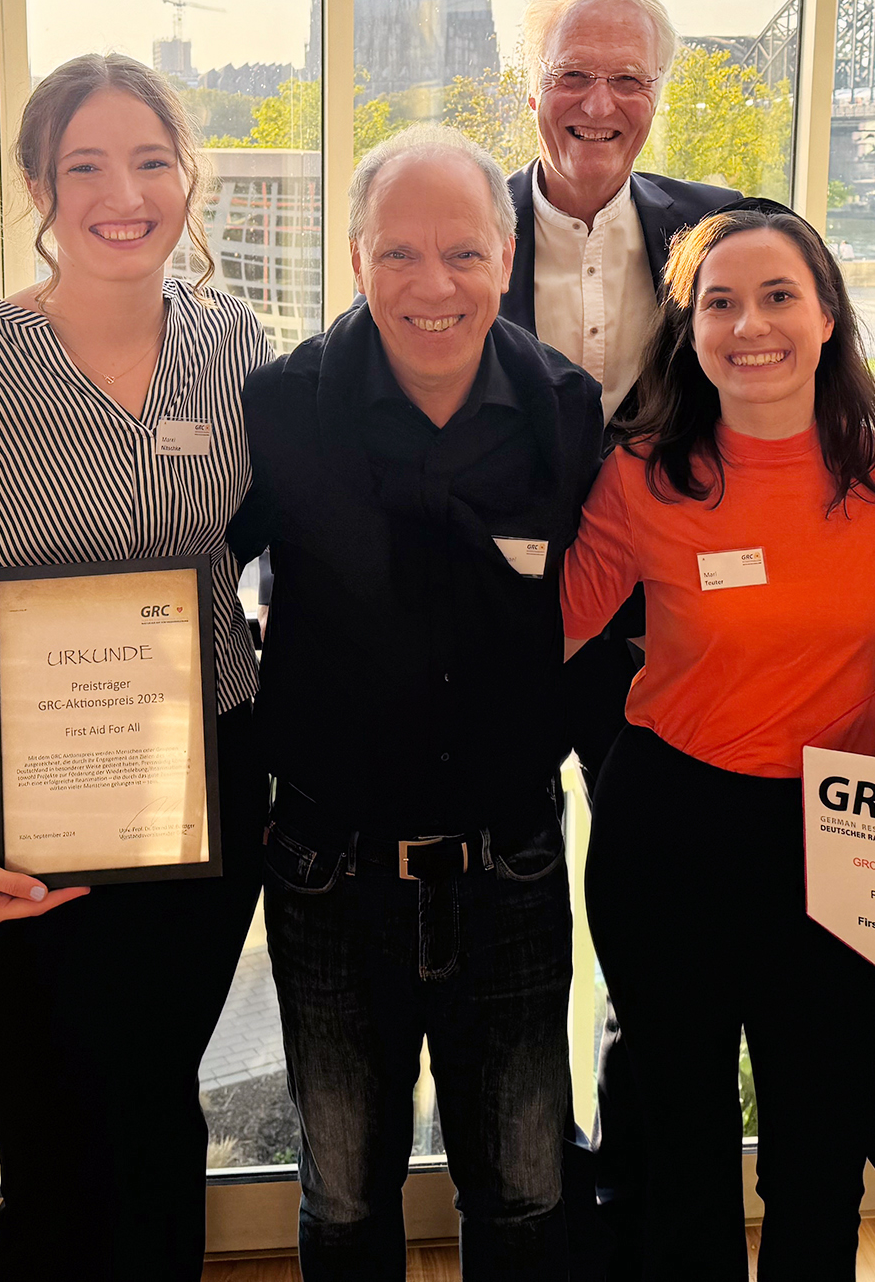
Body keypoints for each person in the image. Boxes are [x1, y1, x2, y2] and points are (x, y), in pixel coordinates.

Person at [0, 53, 268, 1281]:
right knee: (50, 1147)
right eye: (83, 166)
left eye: (149, 161)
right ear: (35, 184)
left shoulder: (236, 351)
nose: (120, 193)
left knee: (151, 1119)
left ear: (187, 178)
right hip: (12, 826)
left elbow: (297, 546)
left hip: (201, 812)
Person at [232, 124, 602, 1278]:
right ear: (354, 262)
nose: (430, 286)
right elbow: (182, 588)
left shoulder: (565, 412)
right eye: (397, 255)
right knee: (342, 1195)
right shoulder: (276, 411)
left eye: (460, 254)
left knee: (528, 1188)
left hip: (511, 867)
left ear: (504, 258)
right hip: (326, 871)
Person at [561, 204, 875, 1280]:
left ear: (827, 318)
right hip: (670, 827)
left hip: (836, 837)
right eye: (717, 302)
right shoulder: (642, 475)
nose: (749, 324)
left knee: (817, 1148)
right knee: (680, 1140)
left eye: (777, 296)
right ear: (687, 330)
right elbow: (544, 628)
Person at [511, 0, 744, 786]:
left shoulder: (726, 230)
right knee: (513, 861)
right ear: (531, 88)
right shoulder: (466, 237)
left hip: (669, 623)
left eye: (628, 81)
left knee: (650, 865)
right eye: (572, 75)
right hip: (513, 617)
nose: (599, 105)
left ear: (658, 93)